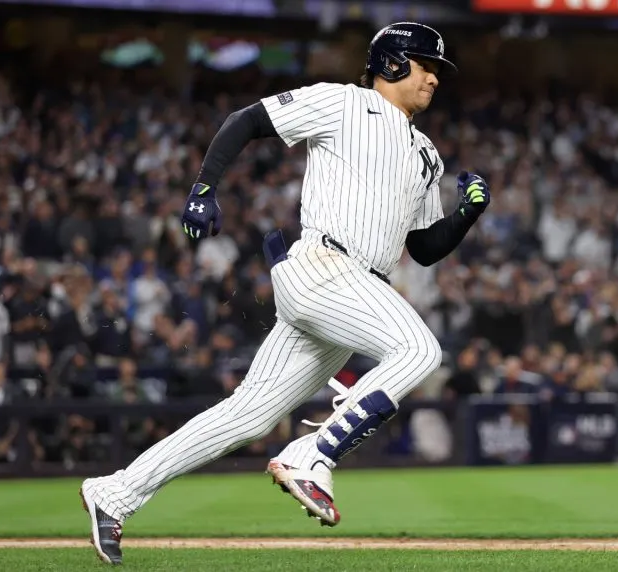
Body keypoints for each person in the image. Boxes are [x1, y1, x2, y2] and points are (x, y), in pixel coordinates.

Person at [77, 22, 491, 565]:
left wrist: (465, 214)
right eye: (425, 65)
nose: (434, 78)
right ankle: (312, 453)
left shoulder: (426, 153)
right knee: (418, 350)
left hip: (355, 293)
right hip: (325, 267)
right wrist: (203, 188)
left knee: (246, 415)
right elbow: (246, 121)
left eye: (437, 70)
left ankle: (116, 492)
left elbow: (426, 247)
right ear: (391, 63)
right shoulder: (343, 103)